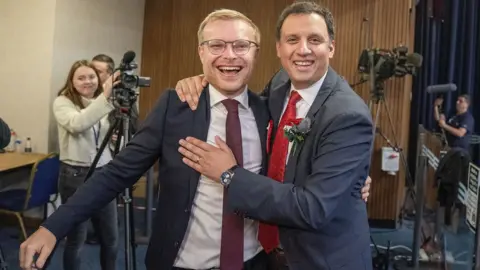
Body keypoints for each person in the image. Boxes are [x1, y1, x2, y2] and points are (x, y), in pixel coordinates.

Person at [19, 8, 371, 270]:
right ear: (201, 52)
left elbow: (295, 171)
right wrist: (53, 226)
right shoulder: (176, 106)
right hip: (182, 262)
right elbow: (116, 174)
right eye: (216, 45)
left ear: (258, 53)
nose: (229, 55)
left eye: (241, 46)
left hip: (255, 262)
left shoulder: (270, 107)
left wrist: (351, 181)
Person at [175, 2, 373, 269]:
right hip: (267, 255)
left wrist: (229, 174)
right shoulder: (281, 83)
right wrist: (206, 78)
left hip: (319, 260)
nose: (303, 50)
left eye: (314, 39)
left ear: (331, 47)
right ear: (279, 48)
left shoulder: (348, 116)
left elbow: (312, 209)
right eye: (293, 39)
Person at [46, 60, 120, 270]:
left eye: (91, 77)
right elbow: (78, 124)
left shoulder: (103, 102)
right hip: (74, 175)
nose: (87, 81)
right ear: (72, 81)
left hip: (104, 173)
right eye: (81, 77)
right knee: (76, 239)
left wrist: (116, 139)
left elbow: (110, 140)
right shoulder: (63, 102)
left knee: (111, 237)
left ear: (98, 79)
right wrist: (105, 97)